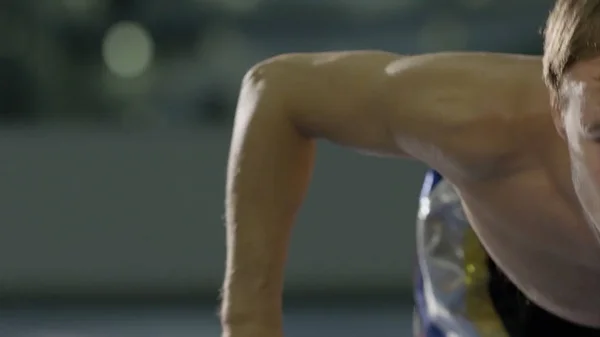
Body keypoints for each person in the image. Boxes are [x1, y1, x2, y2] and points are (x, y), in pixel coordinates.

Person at [221, 1, 600, 336]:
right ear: (558, 112)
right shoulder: (482, 119)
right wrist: (249, 323)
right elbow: (278, 91)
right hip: (489, 282)